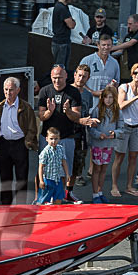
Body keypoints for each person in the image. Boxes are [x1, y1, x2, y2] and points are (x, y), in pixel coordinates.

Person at [37, 65, 81, 200]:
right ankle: (41, 198)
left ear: (66, 76)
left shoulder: (73, 92)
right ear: (51, 77)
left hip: (66, 137)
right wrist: (49, 111)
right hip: (47, 139)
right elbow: (41, 116)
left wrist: (68, 111)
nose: (57, 81)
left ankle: (59, 198)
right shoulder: (45, 91)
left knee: (63, 172)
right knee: (44, 170)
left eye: (60, 78)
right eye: (54, 78)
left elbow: (77, 116)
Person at [0, 76, 38, 205]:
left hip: (20, 145)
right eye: (6, 89)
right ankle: (5, 205)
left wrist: (27, 143)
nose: (8, 92)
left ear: (18, 90)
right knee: (5, 178)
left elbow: (32, 128)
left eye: (11, 89)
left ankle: (20, 206)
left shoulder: (26, 107)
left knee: (21, 178)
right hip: (4, 145)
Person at [112, 62, 138, 198]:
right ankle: (114, 186)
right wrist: (137, 97)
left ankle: (129, 186)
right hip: (124, 126)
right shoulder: (124, 87)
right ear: (132, 74)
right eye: (135, 72)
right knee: (119, 157)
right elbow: (121, 105)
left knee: (133, 158)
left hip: (137, 126)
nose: (137, 75)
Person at [67, 64, 98, 202]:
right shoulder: (66, 90)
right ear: (74, 75)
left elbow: (87, 112)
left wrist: (91, 122)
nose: (81, 78)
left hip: (81, 133)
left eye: (84, 76)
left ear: (88, 78)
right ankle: (58, 193)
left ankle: (69, 192)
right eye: (79, 75)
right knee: (63, 164)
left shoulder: (87, 95)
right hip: (66, 132)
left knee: (77, 164)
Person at [88, 85, 123, 203]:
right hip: (98, 144)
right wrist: (99, 135)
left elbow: (121, 127)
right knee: (97, 169)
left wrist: (115, 133)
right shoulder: (96, 110)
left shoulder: (117, 111)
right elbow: (91, 128)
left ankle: (100, 192)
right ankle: (94, 194)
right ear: (102, 98)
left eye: (111, 97)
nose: (108, 100)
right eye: (106, 97)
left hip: (109, 144)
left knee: (104, 169)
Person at [37, 127, 69, 205]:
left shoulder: (60, 149)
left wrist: (67, 174)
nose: (53, 141)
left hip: (57, 179)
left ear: (59, 138)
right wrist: (41, 180)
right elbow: (41, 167)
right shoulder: (45, 152)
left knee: (58, 198)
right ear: (46, 139)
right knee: (43, 200)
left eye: (56, 139)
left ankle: (56, 210)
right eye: (51, 139)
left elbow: (64, 162)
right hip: (48, 179)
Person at [51, 0, 76, 69]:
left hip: (61, 42)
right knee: (60, 69)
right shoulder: (62, 8)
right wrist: (73, 21)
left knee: (61, 68)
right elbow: (71, 25)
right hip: (61, 43)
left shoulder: (61, 6)